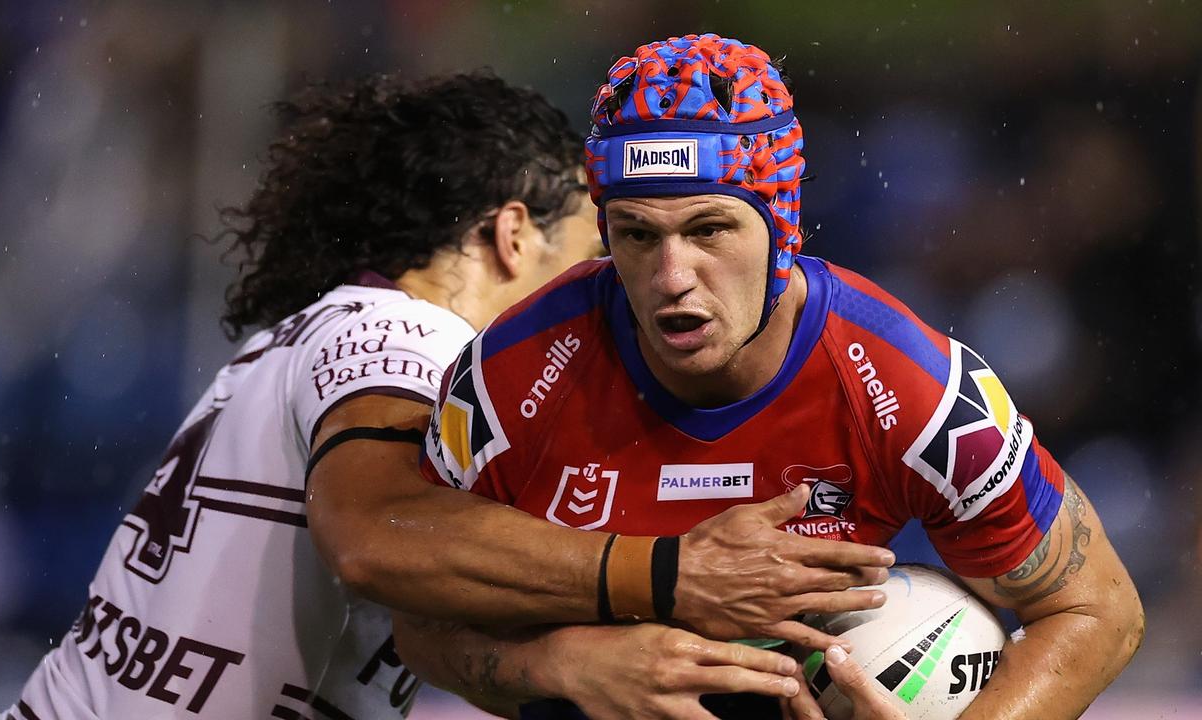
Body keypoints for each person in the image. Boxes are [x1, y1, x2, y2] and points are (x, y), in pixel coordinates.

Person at [0, 69, 892, 720]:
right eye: (602, 241)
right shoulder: (412, 340)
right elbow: (378, 536)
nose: (622, 283)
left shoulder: (311, 332)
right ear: (511, 237)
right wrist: (669, 577)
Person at [405, 34, 1145, 719]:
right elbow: (419, 625)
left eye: (710, 230)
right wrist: (560, 666)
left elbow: (1097, 612)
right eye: (636, 234)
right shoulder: (508, 379)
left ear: (784, 228)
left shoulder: (910, 389)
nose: (671, 278)